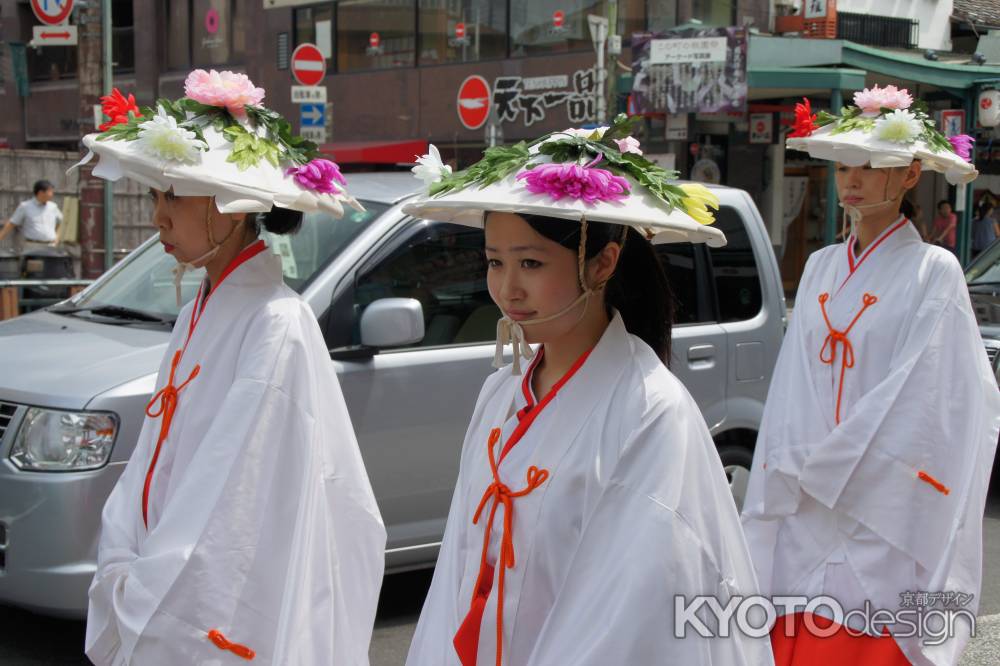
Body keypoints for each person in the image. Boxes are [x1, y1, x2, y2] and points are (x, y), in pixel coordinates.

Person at [404, 117, 773, 665]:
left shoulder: (651, 409)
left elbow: (634, 607)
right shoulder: (500, 393)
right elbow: (457, 568)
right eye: (495, 262)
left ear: (602, 262)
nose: (507, 288)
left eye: (531, 263)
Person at [73, 70, 386, 664]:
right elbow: (157, 456)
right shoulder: (199, 310)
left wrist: (151, 580)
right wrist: (124, 549)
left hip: (202, 583)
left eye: (175, 197)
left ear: (232, 206)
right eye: (156, 196)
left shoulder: (277, 321)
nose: (159, 217)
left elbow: (238, 492)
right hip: (156, 557)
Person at [744, 85, 1000, 665]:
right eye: (844, 167)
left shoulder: (934, 269)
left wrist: (837, 464)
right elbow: (792, 383)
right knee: (797, 619)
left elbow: (930, 392)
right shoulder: (819, 265)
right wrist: (794, 460)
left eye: (870, 166)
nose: (852, 180)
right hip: (805, 486)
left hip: (880, 495)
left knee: (871, 628)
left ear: (910, 175)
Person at [0, 179, 62, 251]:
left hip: (50, 247)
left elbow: (62, 223)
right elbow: (11, 224)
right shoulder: (25, 206)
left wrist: (57, 238)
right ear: (41, 192)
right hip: (32, 247)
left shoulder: (53, 207)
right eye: (50, 191)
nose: (52, 194)